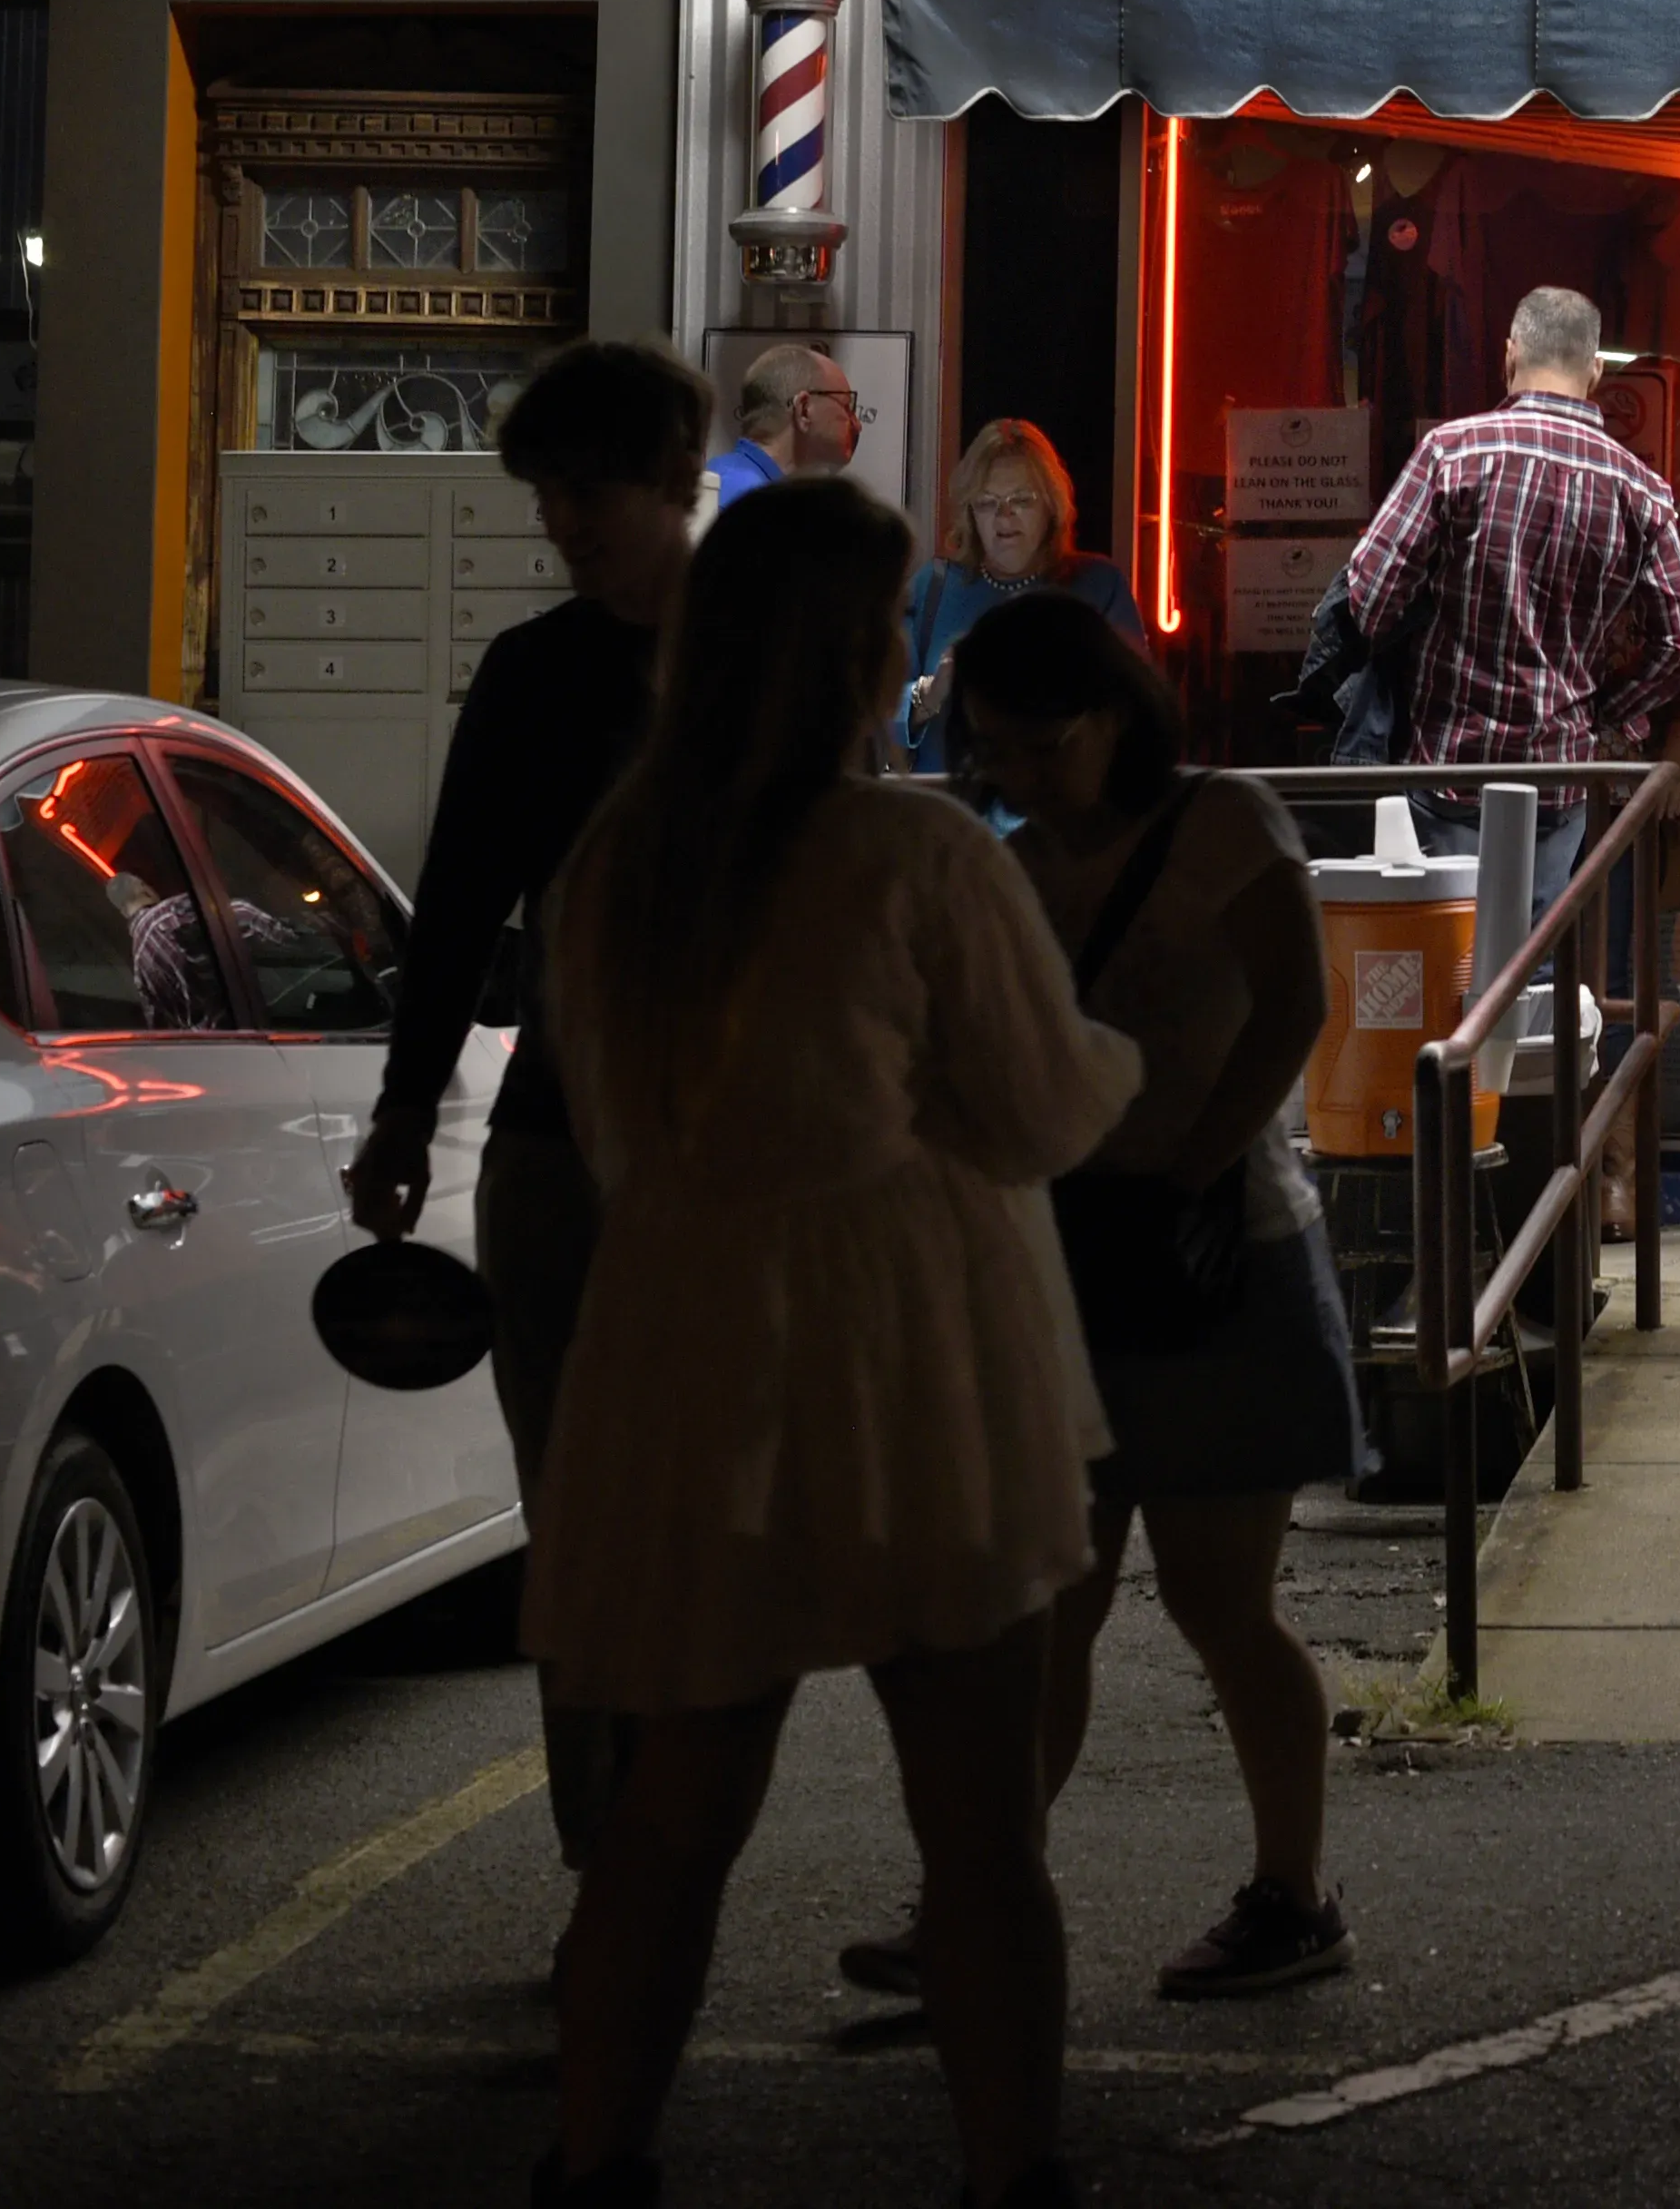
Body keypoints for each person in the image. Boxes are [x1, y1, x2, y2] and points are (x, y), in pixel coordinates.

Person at [521, 477, 1144, 2209]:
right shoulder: (917, 853)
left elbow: (613, 1125)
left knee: (672, 1818)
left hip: (687, 1351)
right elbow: (1041, 1111)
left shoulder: (622, 867)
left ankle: (597, 2154)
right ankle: (1012, 2167)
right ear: (855, 654)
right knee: (978, 1831)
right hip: (915, 1353)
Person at [841, 591, 1362, 2008]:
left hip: (1215, 1252)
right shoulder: (1009, 866)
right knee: (1053, 1603)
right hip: (1064, 1246)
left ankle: (1292, 1891)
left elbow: (1294, 1007)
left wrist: (1192, 1170)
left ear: (1111, 715)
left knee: (1219, 1599)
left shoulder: (1225, 823)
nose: (1013, 775)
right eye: (990, 751)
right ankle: (980, 1897)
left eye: (1036, 746)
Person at [340, 338, 712, 1900]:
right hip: (555, 1149)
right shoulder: (533, 673)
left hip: (731, 1167)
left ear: (675, 482)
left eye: (588, 487)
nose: (562, 519)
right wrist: (407, 1113)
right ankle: (610, 1881)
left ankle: (677, 1852)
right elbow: (456, 919)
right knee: (571, 1521)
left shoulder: (764, 660)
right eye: (547, 492)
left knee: (697, 1523)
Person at [1337, 283, 1680, 943]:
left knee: (1449, 964)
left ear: (1509, 356)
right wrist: (1606, 709)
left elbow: (1369, 598)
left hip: (1450, 766)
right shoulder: (1640, 490)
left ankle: (1462, 1050)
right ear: (1596, 372)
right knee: (1531, 972)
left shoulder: (1452, 455)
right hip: (1561, 778)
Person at [901, 419, 1131, 773]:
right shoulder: (933, 587)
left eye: (1021, 500)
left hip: (1058, 815)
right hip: (947, 813)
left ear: (1051, 508)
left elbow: (1136, 716)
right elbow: (875, 717)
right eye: (987, 503)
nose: (1003, 516)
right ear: (969, 513)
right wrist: (931, 693)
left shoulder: (1099, 585)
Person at [704, 341, 861, 506]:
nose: (857, 425)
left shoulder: (740, 486)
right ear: (804, 410)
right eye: (846, 406)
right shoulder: (752, 503)